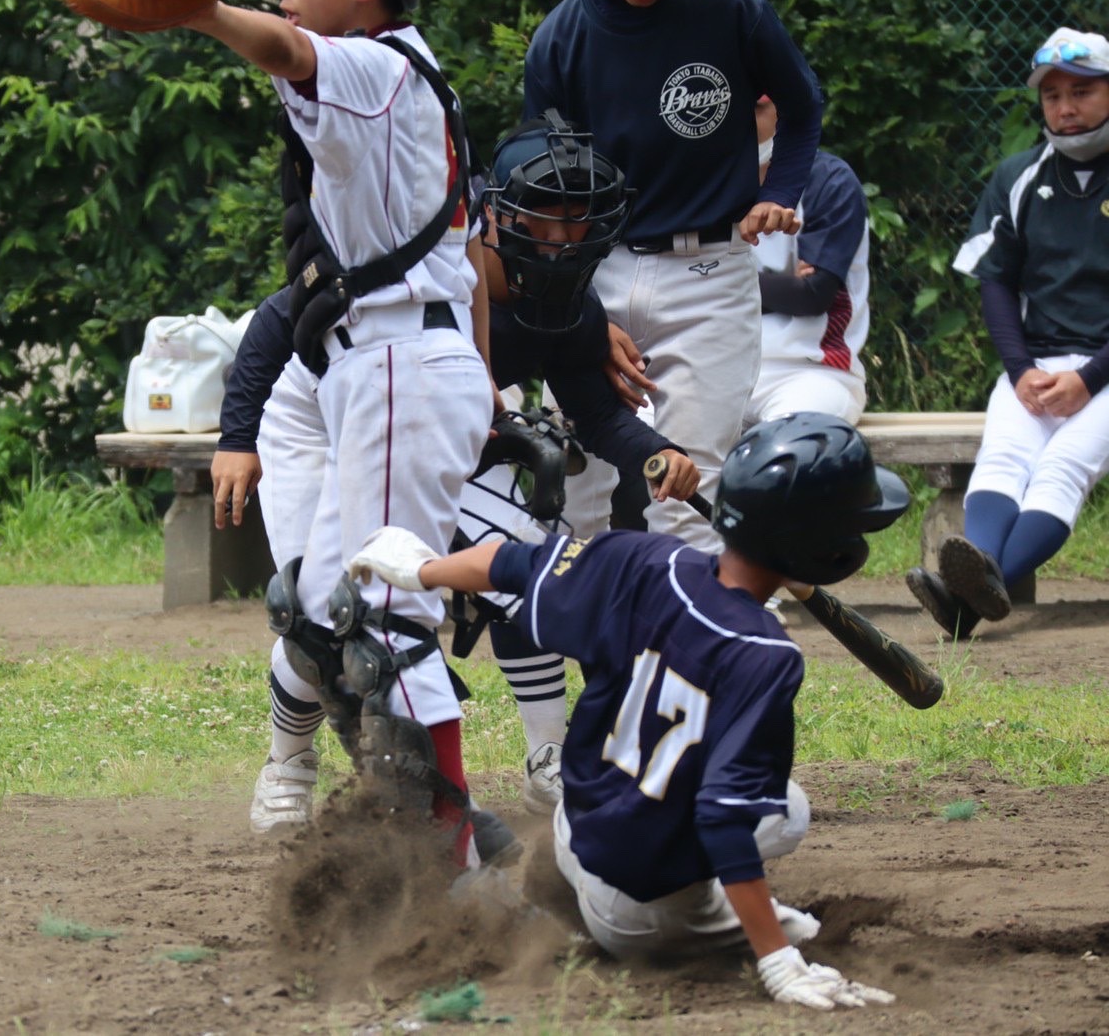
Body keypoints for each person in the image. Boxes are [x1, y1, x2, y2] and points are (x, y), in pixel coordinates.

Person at [219, 115, 701, 832]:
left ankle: (549, 762)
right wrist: (236, 438)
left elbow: (598, 416)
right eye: (547, 215)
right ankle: (289, 761)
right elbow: (270, 326)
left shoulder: (568, 306)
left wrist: (658, 452)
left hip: (424, 420)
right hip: (316, 411)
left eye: (579, 219)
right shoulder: (432, 258)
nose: (564, 237)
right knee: (320, 609)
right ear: (495, 216)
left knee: (523, 559)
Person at [344, 412, 906, 1010]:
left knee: (782, 807)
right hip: (643, 909)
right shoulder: (766, 654)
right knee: (802, 910)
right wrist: (777, 960)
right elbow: (723, 818)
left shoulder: (644, 559)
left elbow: (510, 563)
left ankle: (563, 886)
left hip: (576, 828)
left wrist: (421, 570)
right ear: (822, 550)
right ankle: (716, 933)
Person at [184, 0, 494, 861]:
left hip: (400, 363)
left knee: (388, 621)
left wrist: (199, 12)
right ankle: (451, 832)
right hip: (378, 364)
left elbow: (288, 49)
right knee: (319, 618)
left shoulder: (379, 63)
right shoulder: (396, 70)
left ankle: (449, 860)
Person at [524, 0, 824, 550]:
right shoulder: (562, 36)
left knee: (690, 488)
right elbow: (544, 198)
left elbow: (803, 107)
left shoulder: (733, 10)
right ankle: (569, 638)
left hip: (708, 273)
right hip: (595, 270)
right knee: (568, 486)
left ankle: (676, 638)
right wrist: (582, 317)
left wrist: (779, 190)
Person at [907, 27, 1109, 641]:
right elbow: (995, 283)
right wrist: (1020, 370)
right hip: (1037, 366)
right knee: (1004, 457)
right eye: (1052, 96)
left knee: (1063, 467)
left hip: (1102, 372)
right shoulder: (1019, 176)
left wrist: (1088, 378)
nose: (1065, 107)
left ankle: (968, 597)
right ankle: (979, 585)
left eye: (1082, 91)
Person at [743, 96, 872, 428]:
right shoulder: (701, 182)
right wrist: (782, 284)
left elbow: (812, 295)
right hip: (714, 368)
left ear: (785, 115)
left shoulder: (830, 181)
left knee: (788, 453)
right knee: (652, 449)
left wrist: (722, 281)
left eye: (756, 109)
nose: (741, 121)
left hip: (810, 373)